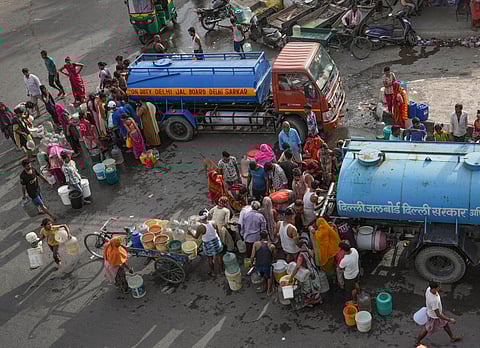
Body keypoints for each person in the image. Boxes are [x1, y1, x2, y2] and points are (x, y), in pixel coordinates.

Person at [415, 280, 462, 346]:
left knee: (445, 325)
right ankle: (417, 341)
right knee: (427, 329)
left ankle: (452, 337)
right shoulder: (434, 300)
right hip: (434, 317)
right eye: (438, 287)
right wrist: (450, 319)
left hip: (432, 312)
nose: (440, 287)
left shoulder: (429, 289)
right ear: (434, 288)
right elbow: (438, 314)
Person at [290, 239, 327, 307]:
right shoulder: (310, 251)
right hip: (314, 272)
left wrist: (292, 277)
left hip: (307, 274)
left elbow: (297, 267)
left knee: (308, 289)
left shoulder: (301, 255)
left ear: (299, 247)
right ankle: (318, 300)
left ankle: (310, 302)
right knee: (316, 287)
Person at [188, 209, 224, 276]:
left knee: (210, 258)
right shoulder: (213, 222)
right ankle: (222, 270)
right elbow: (217, 232)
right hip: (216, 240)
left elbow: (196, 237)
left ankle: (213, 272)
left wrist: (190, 233)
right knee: (219, 256)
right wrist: (219, 239)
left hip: (208, 244)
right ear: (207, 216)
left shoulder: (200, 227)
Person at [250, 231, 276, 296]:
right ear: (267, 236)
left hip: (258, 265)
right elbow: (274, 256)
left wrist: (251, 263)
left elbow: (252, 256)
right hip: (267, 265)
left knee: (261, 274)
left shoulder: (256, 244)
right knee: (269, 277)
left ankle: (262, 285)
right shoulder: (272, 246)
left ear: (260, 236)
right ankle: (268, 291)